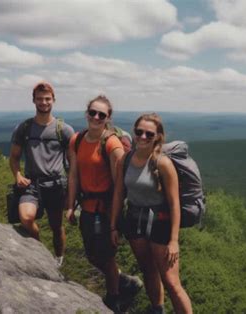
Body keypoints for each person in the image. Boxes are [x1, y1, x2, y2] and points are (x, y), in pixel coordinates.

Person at [66, 95, 142, 312]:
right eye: (93, 113)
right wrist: (70, 205)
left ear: (108, 118)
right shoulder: (77, 140)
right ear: (86, 113)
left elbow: (119, 187)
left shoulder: (112, 144)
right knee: (92, 255)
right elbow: (73, 175)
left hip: (106, 209)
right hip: (87, 208)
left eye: (102, 114)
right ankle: (123, 281)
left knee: (106, 257)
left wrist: (114, 222)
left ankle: (114, 299)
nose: (96, 117)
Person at [110, 113, 193, 314]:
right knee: (148, 271)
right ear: (134, 132)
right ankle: (157, 310)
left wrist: (174, 240)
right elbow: (119, 193)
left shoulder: (162, 163)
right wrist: (113, 225)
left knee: (172, 282)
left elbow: (174, 203)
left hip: (160, 223)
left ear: (157, 136)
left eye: (149, 133)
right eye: (139, 132)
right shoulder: (125, 159)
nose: (143, 137)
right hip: (135, 221)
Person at [9, 81, 74, 267]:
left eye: (47, 98)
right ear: (33, 100)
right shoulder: (24, 128)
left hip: (56, 185)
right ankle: (41, 253)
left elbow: (72, 164)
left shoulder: (64, 130)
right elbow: (14, 157)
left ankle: (59, 260)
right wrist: (18, 176)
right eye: (39, 99)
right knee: (26, 218)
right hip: (31, 184)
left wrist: (72, 190)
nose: (44, 102)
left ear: (53, 100)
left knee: (56, 226)